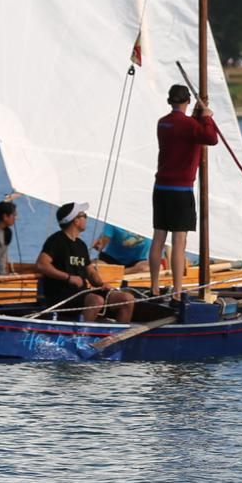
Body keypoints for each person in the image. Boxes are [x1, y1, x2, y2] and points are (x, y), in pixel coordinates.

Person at [148, 83, 219, 292]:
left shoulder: (163, 123)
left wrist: (199, 118)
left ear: (170, 101)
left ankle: (154, 286)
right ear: (188, 102)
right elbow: (211, 138)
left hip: (161, 187)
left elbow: (188, 134)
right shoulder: (190, 126)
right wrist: (206, 116)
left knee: (158, 237)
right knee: (179, 241)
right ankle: (178, 290)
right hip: (181, 190)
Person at [36, 202, 135, 323]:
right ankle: (81, 337)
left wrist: (101, 284)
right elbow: (41, 264)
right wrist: (68, 278)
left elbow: (90, 271)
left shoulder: (81, 245)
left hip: (80, 293)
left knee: (127, 299)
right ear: (75, 221)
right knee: (96, 301)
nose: (86, 218)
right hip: (61, 295)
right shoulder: (56, 240)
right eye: (84, 215)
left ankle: (118, 339)